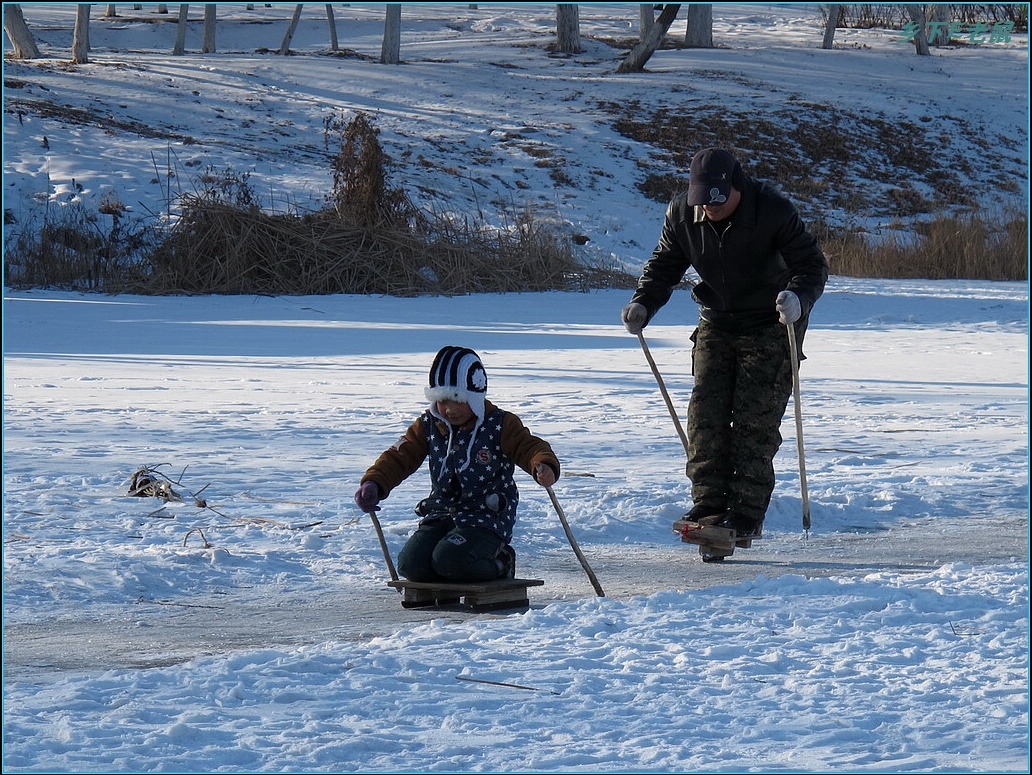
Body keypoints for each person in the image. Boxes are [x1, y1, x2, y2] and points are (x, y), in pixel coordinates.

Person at [621, 147, 828, 539]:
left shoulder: (772, 210)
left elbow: (813, 265)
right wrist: (643, 303)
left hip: (773, 320)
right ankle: (709, 502)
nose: (710, 209)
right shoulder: (682, 214)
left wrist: (798, 298)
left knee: (755, 419)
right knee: (706, 414)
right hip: (716, 320)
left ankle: (747, 513)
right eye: (703, 201)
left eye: (718, 200)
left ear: (738, 187)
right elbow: (665, 265)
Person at [354, 346, 560, 583]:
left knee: (451, 560)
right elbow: (400, 455)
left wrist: (543, 465)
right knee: (411, 565)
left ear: (474, 396)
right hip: (442, 512)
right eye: (442, 401)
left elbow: (529, 446)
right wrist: (375, 482)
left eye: (457, 400)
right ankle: (447, 578)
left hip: (486, 517)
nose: (449, 410)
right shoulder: (429, 424)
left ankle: (502, 561)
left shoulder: (500, 424)